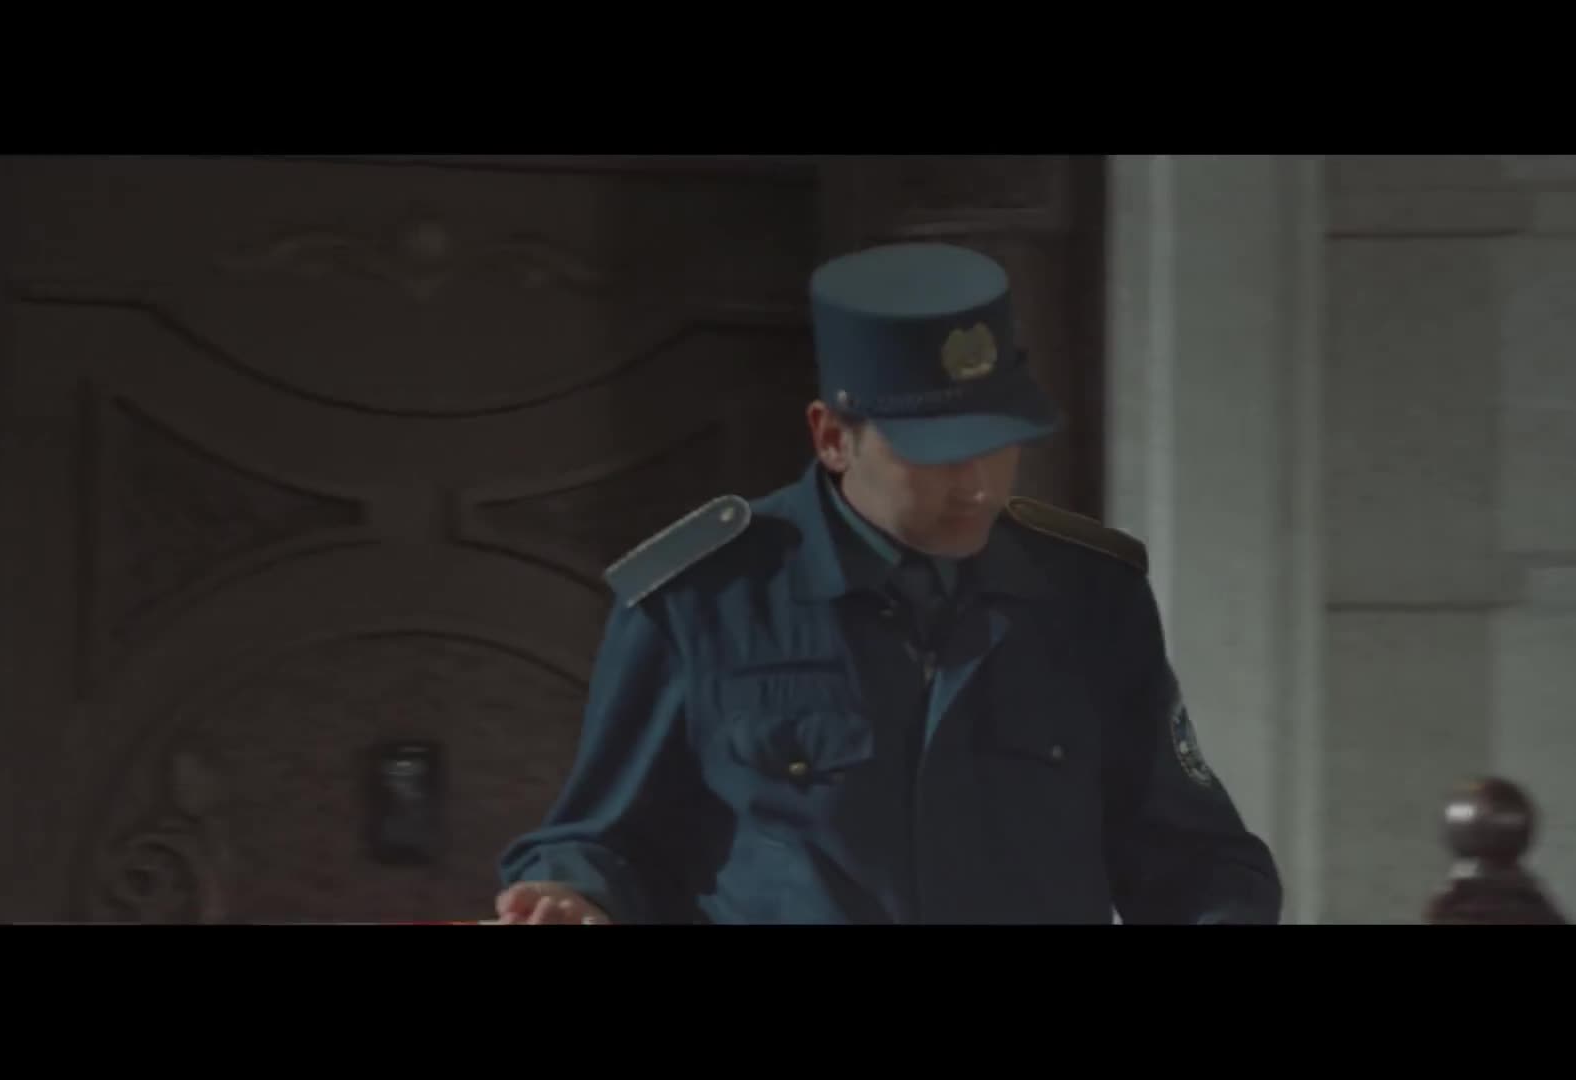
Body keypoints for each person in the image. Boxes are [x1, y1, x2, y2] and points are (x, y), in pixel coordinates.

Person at [493, 241, 1282, 925]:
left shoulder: (1090, 599)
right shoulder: (703, 601)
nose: (977, 486)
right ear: (833, 438)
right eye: (936, 455)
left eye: (998, 445)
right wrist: (573, 896)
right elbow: (603, 839)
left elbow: (1191, 858)